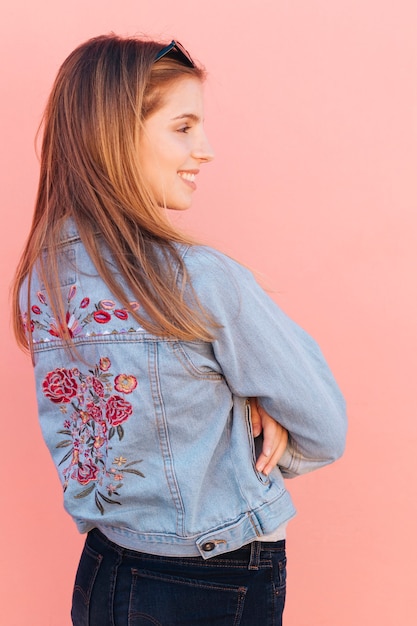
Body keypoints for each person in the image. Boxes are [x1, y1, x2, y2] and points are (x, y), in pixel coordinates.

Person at [12, 34, 347, 626]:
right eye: (183, 127)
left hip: (104, 572)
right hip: (213, 576)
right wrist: (253, 424)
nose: (206, 150)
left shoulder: (43, 279)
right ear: (116, 135)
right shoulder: (198, 280)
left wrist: (234, 400)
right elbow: (323, 429)